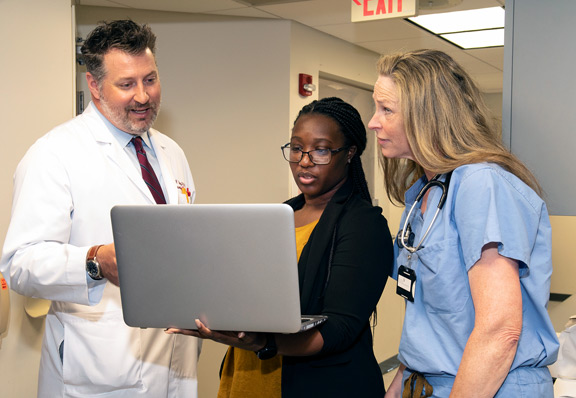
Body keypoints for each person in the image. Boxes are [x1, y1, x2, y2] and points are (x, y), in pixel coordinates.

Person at [0, 20, 200, 397]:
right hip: (98, 370)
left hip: (175, 364)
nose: (143, 96)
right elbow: (21, 264)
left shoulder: (172, 153)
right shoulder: (54, 155)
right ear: (93, 85)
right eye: (126, 84)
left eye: (150, 79)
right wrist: (94, 262)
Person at [168, 97, 393, 397]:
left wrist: (264, 342)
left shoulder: (363, 225)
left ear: (350, 153)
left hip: (316, 385)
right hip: (247, 378)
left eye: (321, 150)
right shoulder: (277, 217)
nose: (304, 161)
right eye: (297, 148)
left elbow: (339, 330)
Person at [368, 49, 559, 398]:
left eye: (386, 110)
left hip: (490, 385)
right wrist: (400, 384)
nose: (373, 122)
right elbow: (432, 317)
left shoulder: (480, 184)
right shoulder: (428, 190)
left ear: (427, 116)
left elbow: (500, 331)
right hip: (429, 382)